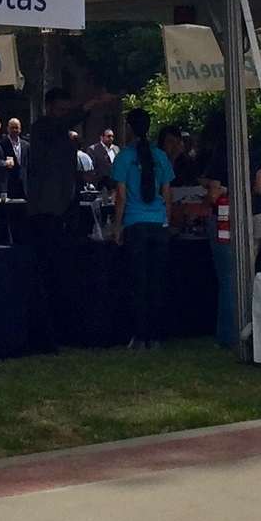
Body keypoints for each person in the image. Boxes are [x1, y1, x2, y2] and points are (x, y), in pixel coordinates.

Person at [108, 108, 172, 349]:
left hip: (135, 222)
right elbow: (167, 193)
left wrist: (117, 225)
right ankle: (156, 335)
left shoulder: (124, 157)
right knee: (156, 282)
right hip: (158, 222)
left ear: (129, 128)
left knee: (137, 282)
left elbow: (121, 196)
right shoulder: (160, 157)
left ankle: (140, 335)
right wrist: (168, 220)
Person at [24, 90, 83, 234]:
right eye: (60, 110)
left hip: (66, 201)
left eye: (67, 110)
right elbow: (62, 124)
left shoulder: (66, 136)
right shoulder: (42, 127)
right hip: (45, 206)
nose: (64, 114)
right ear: (49, 107)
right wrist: (89, 105)